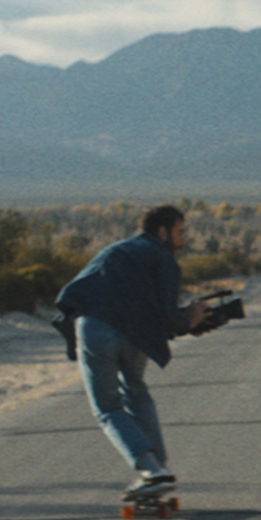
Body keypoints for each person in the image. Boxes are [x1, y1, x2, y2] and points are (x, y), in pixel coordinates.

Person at [55, 205, 207, 499]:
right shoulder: (164, 260)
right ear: (161, 231)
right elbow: (167, 315)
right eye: (179, 233)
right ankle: (157, 469)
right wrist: (190, 319)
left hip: (96, 329)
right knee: (135, 392)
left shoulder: (115, 251)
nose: (182, 240)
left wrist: (186, 320)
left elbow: (72, 291)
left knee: (108, 407)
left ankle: (154, 472)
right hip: (132, 334)